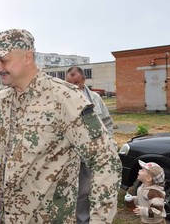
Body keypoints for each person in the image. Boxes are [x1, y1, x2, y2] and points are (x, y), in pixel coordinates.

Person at [0, 29, 122, 223]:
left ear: (28, 57)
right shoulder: (1, 100)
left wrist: (99, 220)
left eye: (3, 60)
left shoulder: (65, 98)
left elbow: (105, 160)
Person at [65, 66, 114, 224]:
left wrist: (107, 143)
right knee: (79, 192)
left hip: (95, 154)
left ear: (83, 80)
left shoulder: (95, 99)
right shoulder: (62, 99)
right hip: (71, 156)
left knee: (95, 189)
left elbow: (106, 122)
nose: (73, 85)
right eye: (69, 82)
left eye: (76, 82)